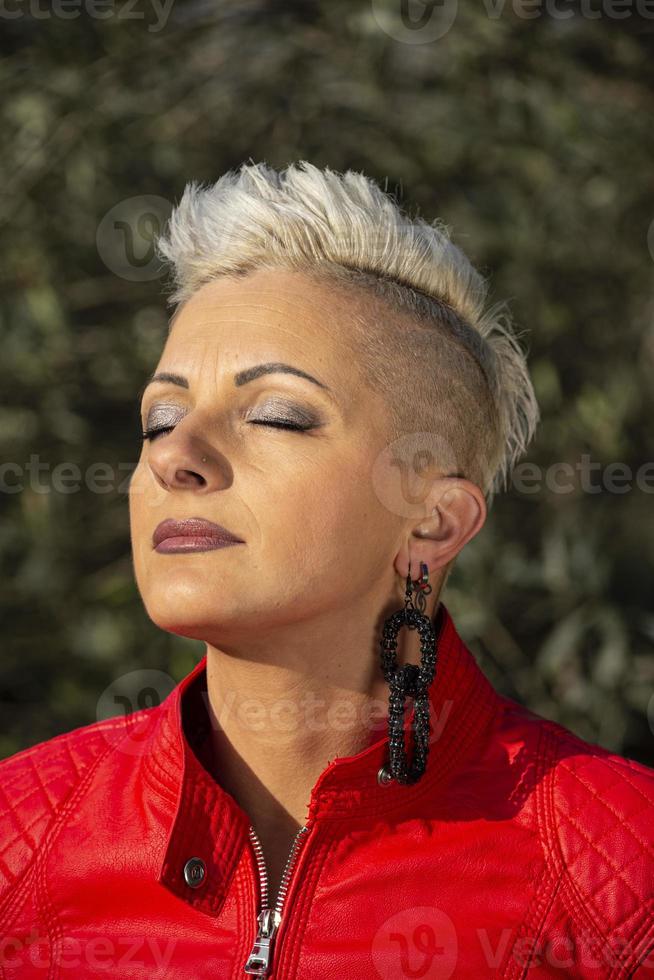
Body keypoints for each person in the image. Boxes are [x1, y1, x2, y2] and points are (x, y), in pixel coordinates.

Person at [1, 161, 652, 979]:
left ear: (434, 520)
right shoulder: (20, 846)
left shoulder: (622, 875)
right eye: (160, 418)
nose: (176, 455)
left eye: (275, 414)